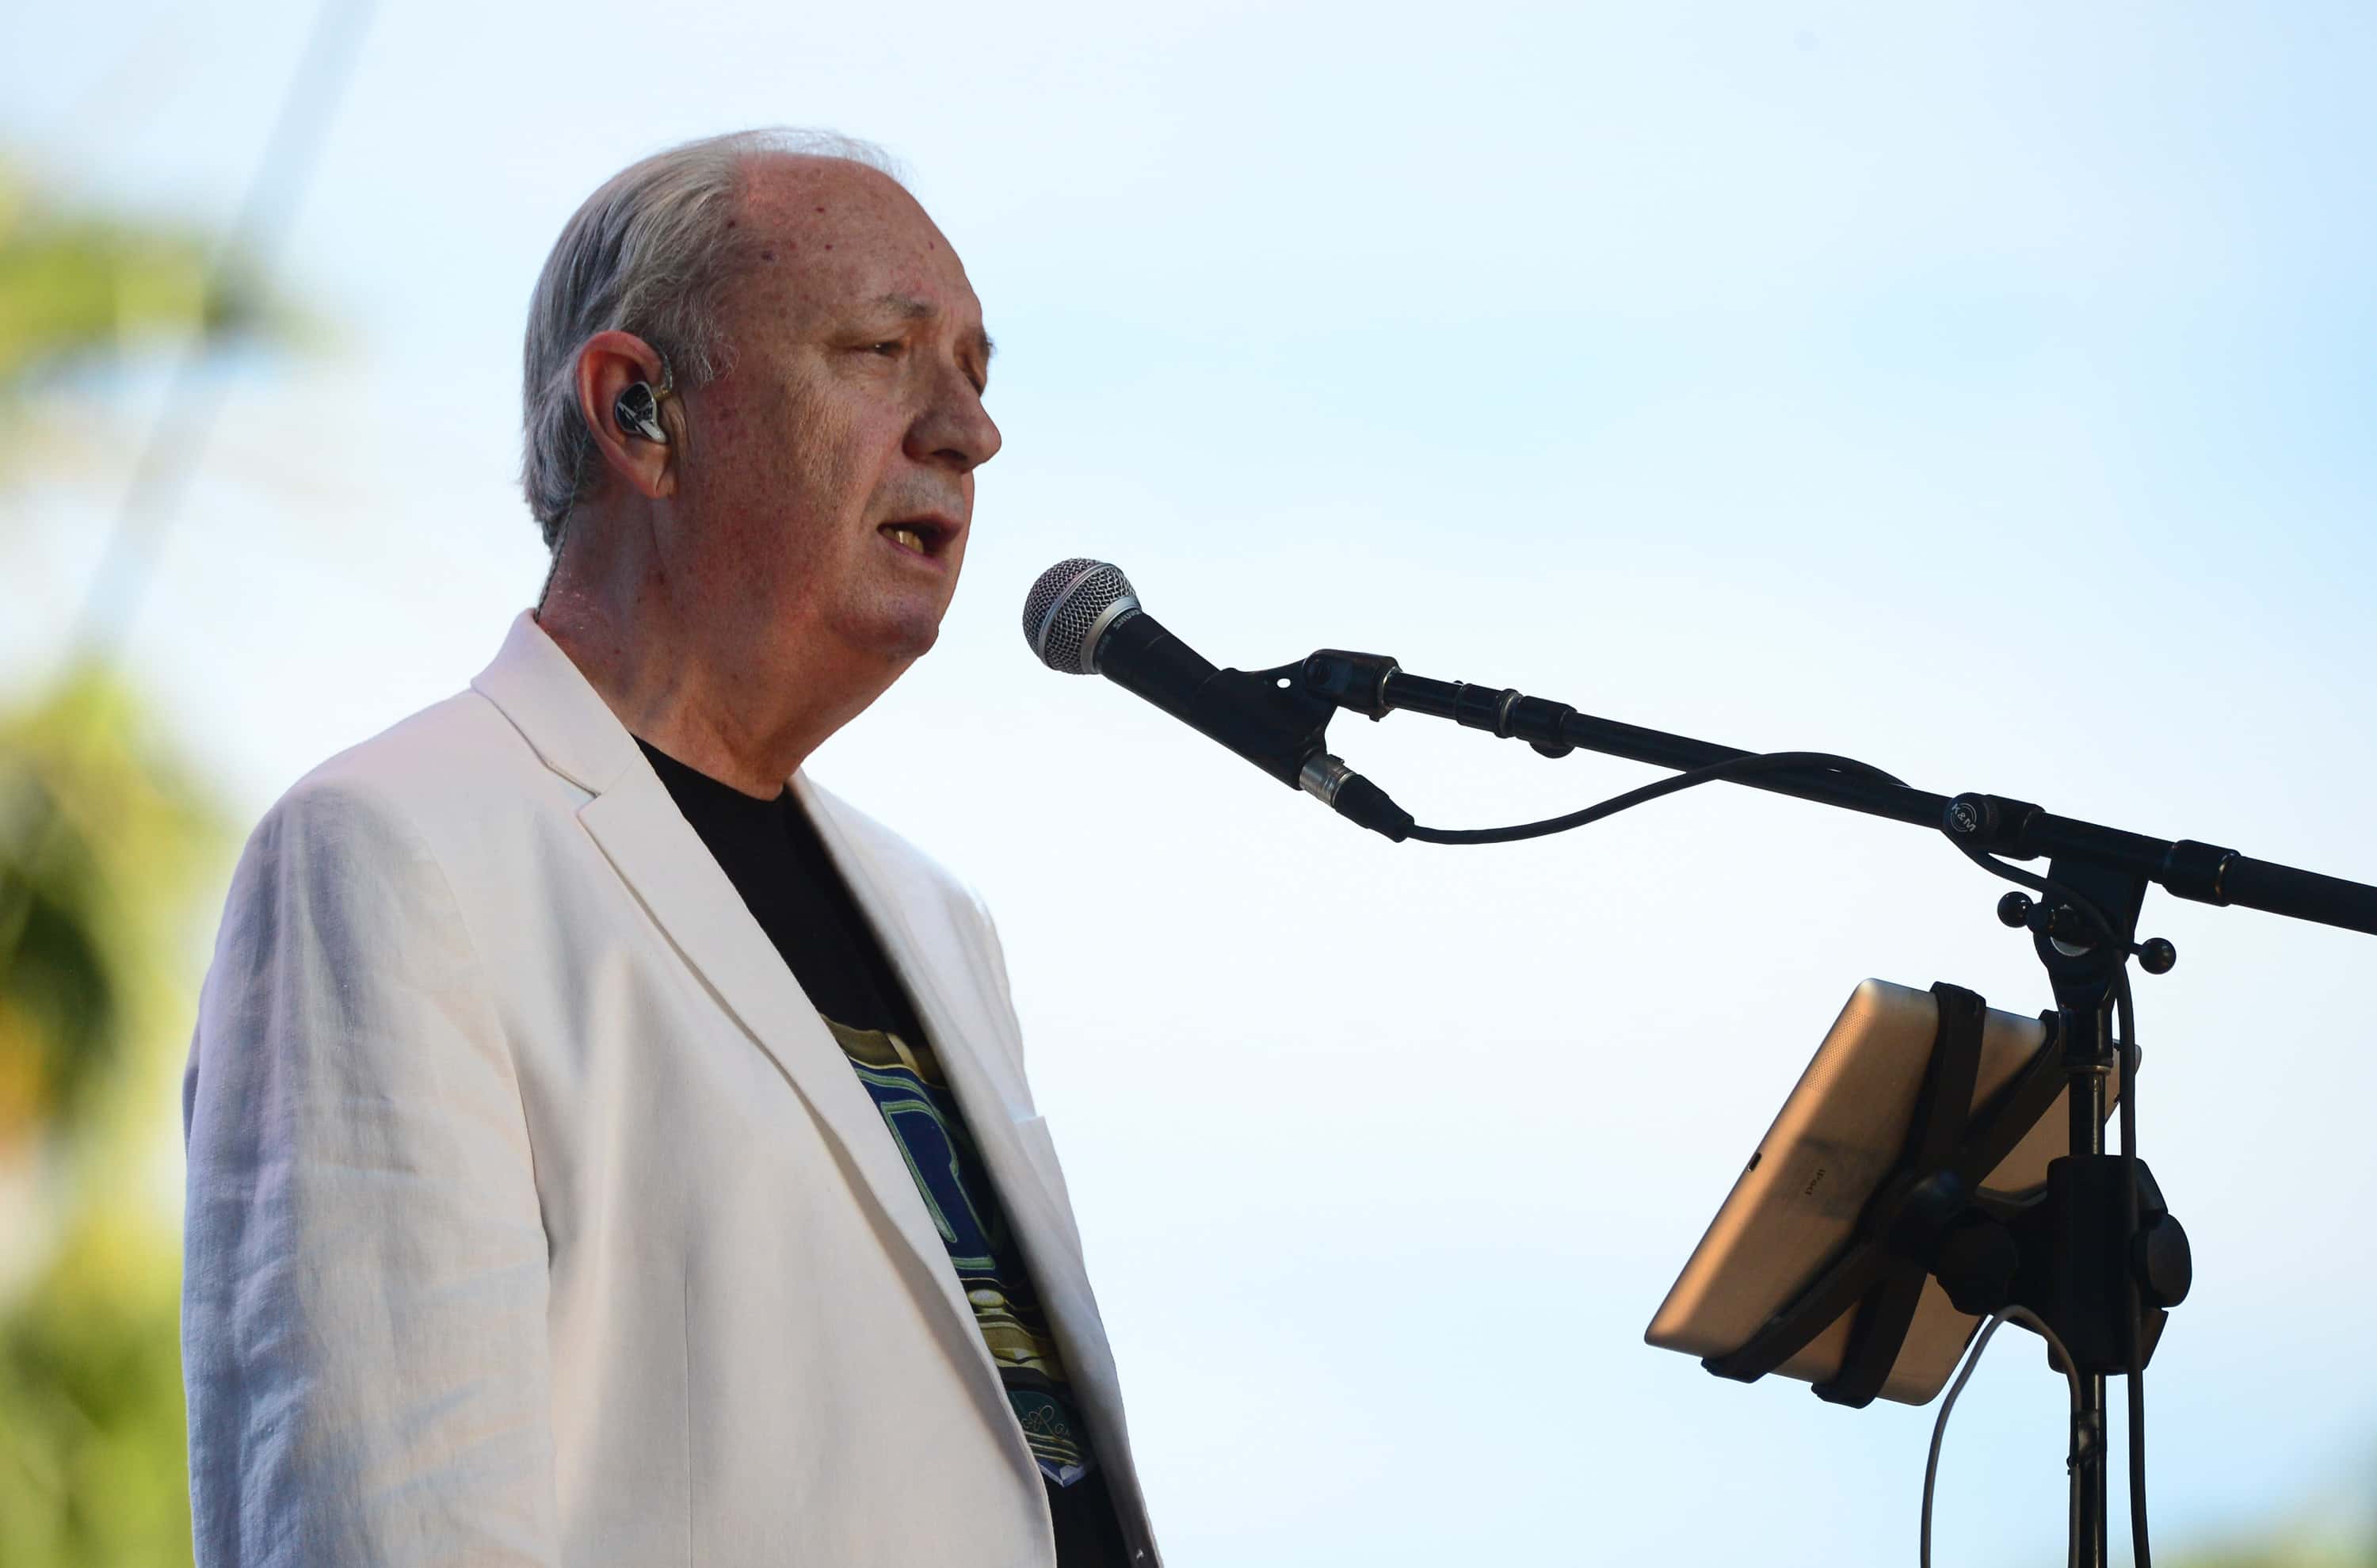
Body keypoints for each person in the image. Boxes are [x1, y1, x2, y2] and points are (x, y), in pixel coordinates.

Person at [180, 128, 1159, 1567]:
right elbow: (382, 1522)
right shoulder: (396, 853)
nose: (969, 429)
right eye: (884, 350)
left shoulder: (939, 920)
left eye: (976, 370)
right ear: (640, 412)